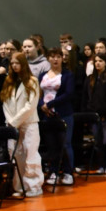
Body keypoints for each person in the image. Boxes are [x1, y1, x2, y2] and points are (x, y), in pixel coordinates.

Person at [1, 52, 44, 198]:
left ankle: (33, 186)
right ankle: (19, 187)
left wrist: (14, 121)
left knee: (30, 155)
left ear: (23, 64)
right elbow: (5, 103)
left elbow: (30, 105)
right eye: (12, 63)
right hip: (12, 125)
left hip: (29, 123)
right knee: (15, 155)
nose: (14, 66)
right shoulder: (9, 81)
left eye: (17, 63)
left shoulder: (32, 81)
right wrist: (10, 122)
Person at [38, 48, 75, 186]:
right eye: (52, 56)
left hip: (63, 113)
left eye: (58, 56)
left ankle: (68, 172)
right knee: (51, 145)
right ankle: (53, 171)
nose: (55, 59)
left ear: (62, 58)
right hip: (47, 115)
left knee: (65, 144)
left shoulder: (68, 75)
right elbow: (38, 93)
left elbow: (69, 94)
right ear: (48, 58)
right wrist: (42, 105)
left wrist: (50, 104)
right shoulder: (42, 75)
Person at [83, 53, 106, 175]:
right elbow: (86, 97)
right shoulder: (90, 78)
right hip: (94, 116)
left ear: (105, 63)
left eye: (101, 61)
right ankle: (101, 165)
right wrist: (88, 114)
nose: (98, 63)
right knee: (98, 143)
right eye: (96, 61)